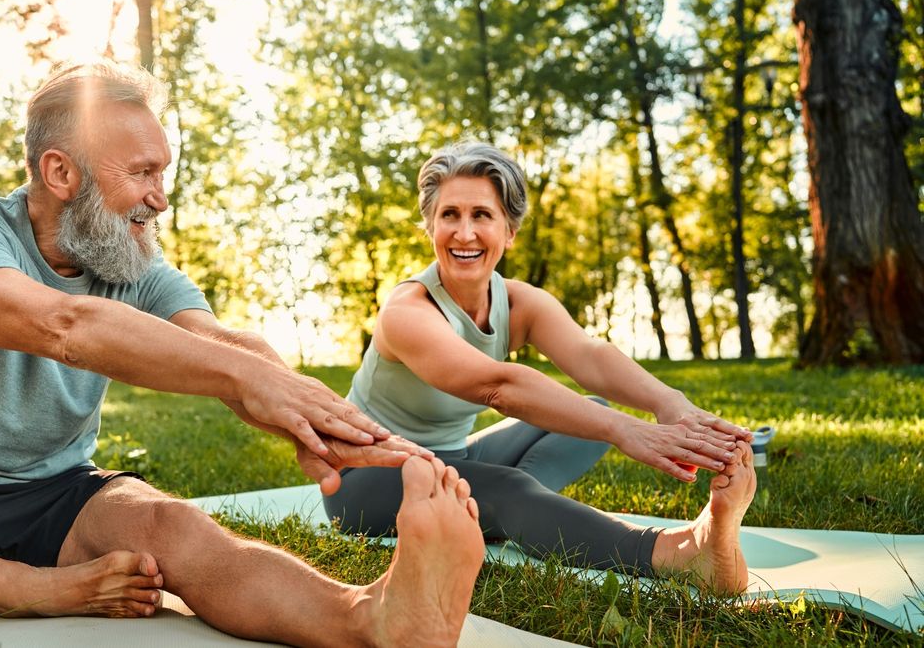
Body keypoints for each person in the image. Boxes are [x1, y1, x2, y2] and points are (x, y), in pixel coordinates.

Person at [0, 62, 487, 647]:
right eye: (144, 173)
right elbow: (57, 323)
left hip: (59, 499)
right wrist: (238, 378)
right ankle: (10, 585)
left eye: (165, 171)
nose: (161, 196)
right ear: (61, 173)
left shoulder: (133, 262)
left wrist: (314, 410)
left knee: (176, 529)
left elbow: (219, 341)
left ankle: (372, 619)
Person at [323, 141, 758, 594]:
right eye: (449, 215)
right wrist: (628, 430)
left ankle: (496, 509)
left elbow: (590, 357)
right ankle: (681, 553)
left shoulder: (516, 301)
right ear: (430, 227)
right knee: (511, 486)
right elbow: (498, 386)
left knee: (584, 413)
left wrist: (671, 404)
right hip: (364, 479)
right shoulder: (407, 311)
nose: (464, 233)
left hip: (450, 458)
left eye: (482, 215)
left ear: (509, 232)